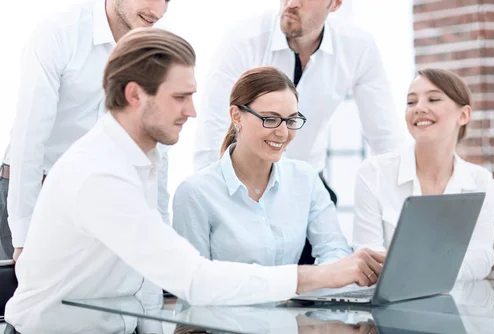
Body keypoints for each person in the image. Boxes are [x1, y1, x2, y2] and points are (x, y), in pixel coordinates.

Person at [4, 28, 386, 333]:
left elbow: (147, 282)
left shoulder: (142, 161)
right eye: (180, 97)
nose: (193, 111)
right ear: (135, 95)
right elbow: (193, 279)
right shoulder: (100, 174)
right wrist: (320, 275)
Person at [194, 0, 404, 264]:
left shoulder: (357, 47)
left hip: (307, 184)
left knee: (323, 276)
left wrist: (403, 228)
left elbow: (386, 140)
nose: (291, 3)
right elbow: (213, 129)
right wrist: (214, 205)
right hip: (241, 184)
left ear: (335, 4)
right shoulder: (243, 38)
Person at [0, 0, 171, 262]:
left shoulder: (153, 53)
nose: (157, 11)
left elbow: (155, 152)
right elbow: (29, 138)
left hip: (96, 201)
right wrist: (24, 236)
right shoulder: (58, 32)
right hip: (32, 193)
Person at [173, 66, 352, 266]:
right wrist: (297, 280)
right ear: (236, 116)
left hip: (295, 297)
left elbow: (335, 250)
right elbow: (194, 282)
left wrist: (321, 278)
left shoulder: (305, 179)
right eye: (271, 119)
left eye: (291, 120)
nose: (283, 133)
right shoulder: (196, 193)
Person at [352, 68, 494, 281]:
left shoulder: (481, 182)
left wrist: (425, 273)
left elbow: (482, 257)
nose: (419, 108)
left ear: (464, 115)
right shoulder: (374, 173)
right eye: (411, 102)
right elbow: (368, 258)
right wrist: (436, 269)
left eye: (433, 99)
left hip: (457, 305)